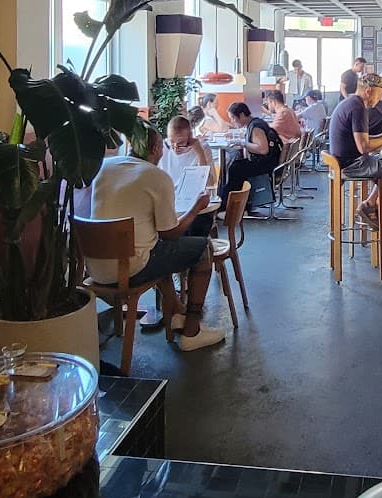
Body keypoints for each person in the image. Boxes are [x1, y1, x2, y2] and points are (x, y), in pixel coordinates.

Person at [91, 128, 224, 351]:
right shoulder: (155, 176)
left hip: (95, 267)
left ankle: (177, 313)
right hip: (131, 269)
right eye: (162, 146)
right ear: (154, 149)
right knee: (203, 248)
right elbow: (170, 233)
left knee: (156, 249)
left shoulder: (105, 167)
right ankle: (192, 331)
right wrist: (195, 209)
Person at [329, 73, 382, 229]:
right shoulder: (358, 108)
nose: (380, 99)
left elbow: (363, 139)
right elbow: (364, 147)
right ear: (368, 91)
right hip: (351, 164)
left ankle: (371, 206)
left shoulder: (352, 103)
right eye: (379, 95)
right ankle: (369, 207)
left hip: (345, 160)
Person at [221, 102, 281, 199]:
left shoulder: (255, 127)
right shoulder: (256, 122)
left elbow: (263, 149)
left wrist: (243, 144)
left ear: (241, 115)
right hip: (271, 162)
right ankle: (237, 201)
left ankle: (229, 202)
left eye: (233, 118)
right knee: (236, 166)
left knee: (235, 168)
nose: (232, 121)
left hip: (266, 165)